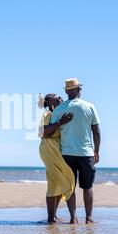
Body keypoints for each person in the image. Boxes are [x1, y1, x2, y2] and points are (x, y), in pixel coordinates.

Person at [45, 78, 101, 224]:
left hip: (67, 154)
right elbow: (96, 130)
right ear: (78, 90)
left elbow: (49, 132)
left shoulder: (59, 109)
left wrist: (59, 123)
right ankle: (88, 218)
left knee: (70, 187)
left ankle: (73, 218)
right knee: (87, 187)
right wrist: (97, 150)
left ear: (66, 91)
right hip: (86, 153)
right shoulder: (89, 107)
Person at [38, 93, 76, 224]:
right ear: (49, 101)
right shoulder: (47, 115)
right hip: (48, 148)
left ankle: (53, 215)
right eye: (57, 97)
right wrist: (60, 123)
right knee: (58, 179)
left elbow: (51, 132)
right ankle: (50, 218)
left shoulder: (57, 114)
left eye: (61, 97)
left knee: (58, 181)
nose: (61, 98)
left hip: (57, 148)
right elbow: (42, 133)